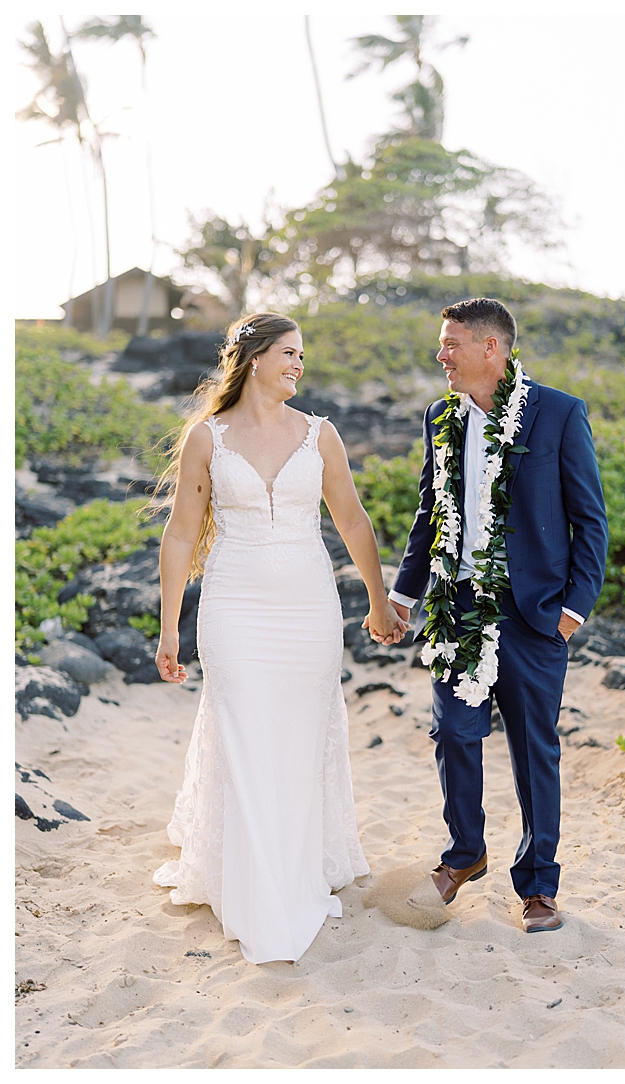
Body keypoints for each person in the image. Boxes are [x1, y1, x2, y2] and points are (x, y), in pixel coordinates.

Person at [152, 312, 407, 964]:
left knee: (295, 740)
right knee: (243, 732)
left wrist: (378, 600)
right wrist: (169, 629)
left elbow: (351, 520)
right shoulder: (206, 438)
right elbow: (181, 534)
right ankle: (253, 885)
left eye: (302, 355)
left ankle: (289, 871)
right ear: (256, 357)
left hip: (307, 610)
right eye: (290, 353)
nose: (299, 364)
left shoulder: (320, 435)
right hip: (234, 609)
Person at [387, 297, 608, 932]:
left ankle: (539, 886)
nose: (441, 355)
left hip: (535, 615)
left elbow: (589, 519)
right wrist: (402, 597)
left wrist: (573, 609)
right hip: (456, 609)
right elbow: (429, 514)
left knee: (534, 750)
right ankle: (466, 853)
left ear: (492, 348)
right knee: (453, 732)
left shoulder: (559, 413)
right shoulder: (440, 419)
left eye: (451, 343)